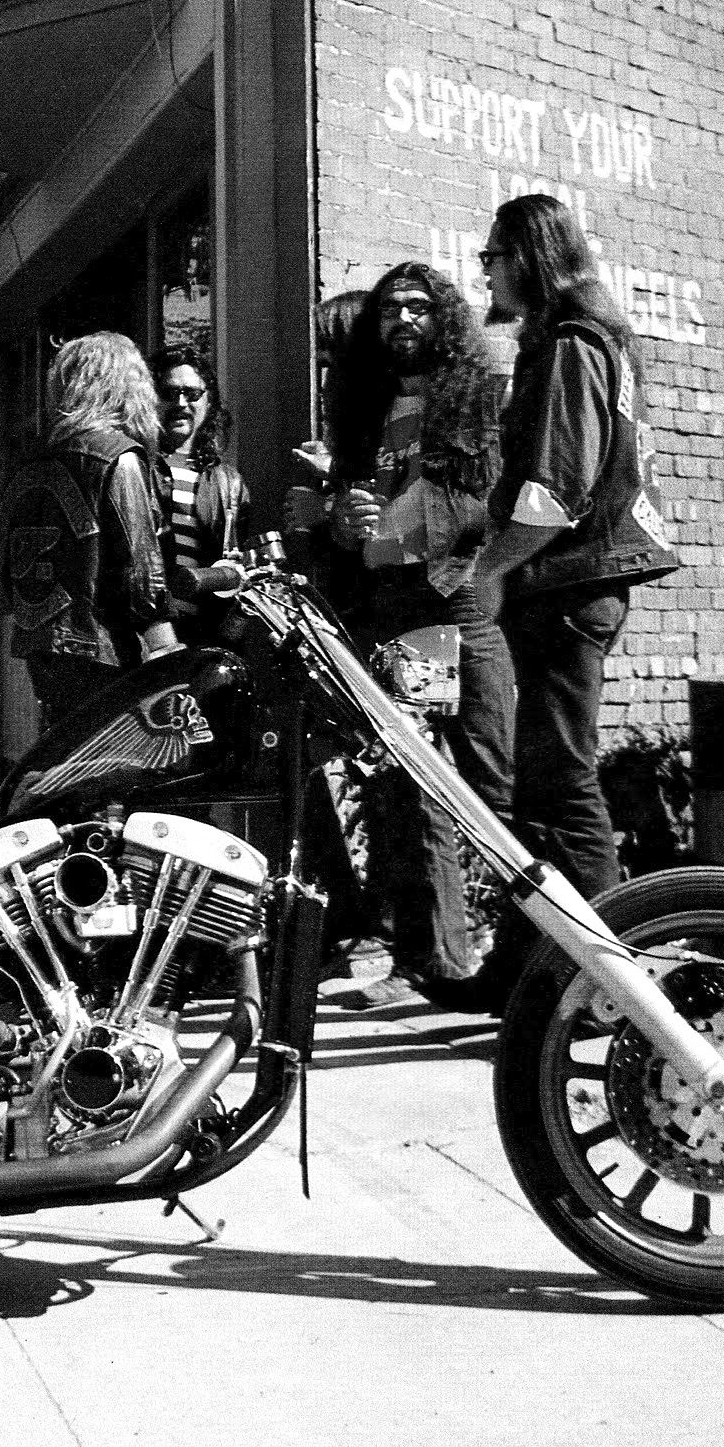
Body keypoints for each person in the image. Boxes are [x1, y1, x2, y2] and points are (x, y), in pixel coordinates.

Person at [289, 263, 515, 1012]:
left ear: (443, 317)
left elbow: (492, 502)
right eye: (391, 309)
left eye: (419, 306)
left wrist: (400, 524)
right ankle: (430, 961)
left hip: (460, 600)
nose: (404, 319)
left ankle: (536, 959)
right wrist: (342, 522)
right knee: (408, 786)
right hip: (396, 607)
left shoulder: (481, 396)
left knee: (493, 779)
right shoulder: (366, 408)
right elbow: (351, 523)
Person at [470, 193, 680, 949]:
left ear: (529, 257)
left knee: (560, 784)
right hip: (571, 587)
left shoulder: (570, 343)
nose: (485, 273)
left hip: (565, 587)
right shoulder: (589, 339)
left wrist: (490, 567)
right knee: (543, 784)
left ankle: (612, 969)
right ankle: (535, 964)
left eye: (492, 256)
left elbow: (558, 491)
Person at [4, 331, 178, 726]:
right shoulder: (118, 457)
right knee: (112, 754)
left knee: (63, 748)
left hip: (41, 644)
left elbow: (8, 568)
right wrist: (164, 643)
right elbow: (140, 566)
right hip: (100, 648)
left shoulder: (33, 461)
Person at [148, 344, 250, 647]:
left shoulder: (228, 482)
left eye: (192, 393)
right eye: (169, 393)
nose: (181, 403)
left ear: (209, 400)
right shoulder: (136, 466)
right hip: (148, 635)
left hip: (204, 636)